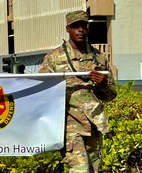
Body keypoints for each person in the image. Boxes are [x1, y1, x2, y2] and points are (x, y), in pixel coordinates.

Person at [39, 10, 117, 173]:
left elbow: (110, 95)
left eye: (84, 26)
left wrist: (103, 85)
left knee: (94, 170)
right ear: (67, 29)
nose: (80, 30)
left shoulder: (99, 58)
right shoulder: (53, 58)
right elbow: (43, 93)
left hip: (94, 124)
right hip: (69, 125)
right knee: (80, 170)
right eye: (76, 26)